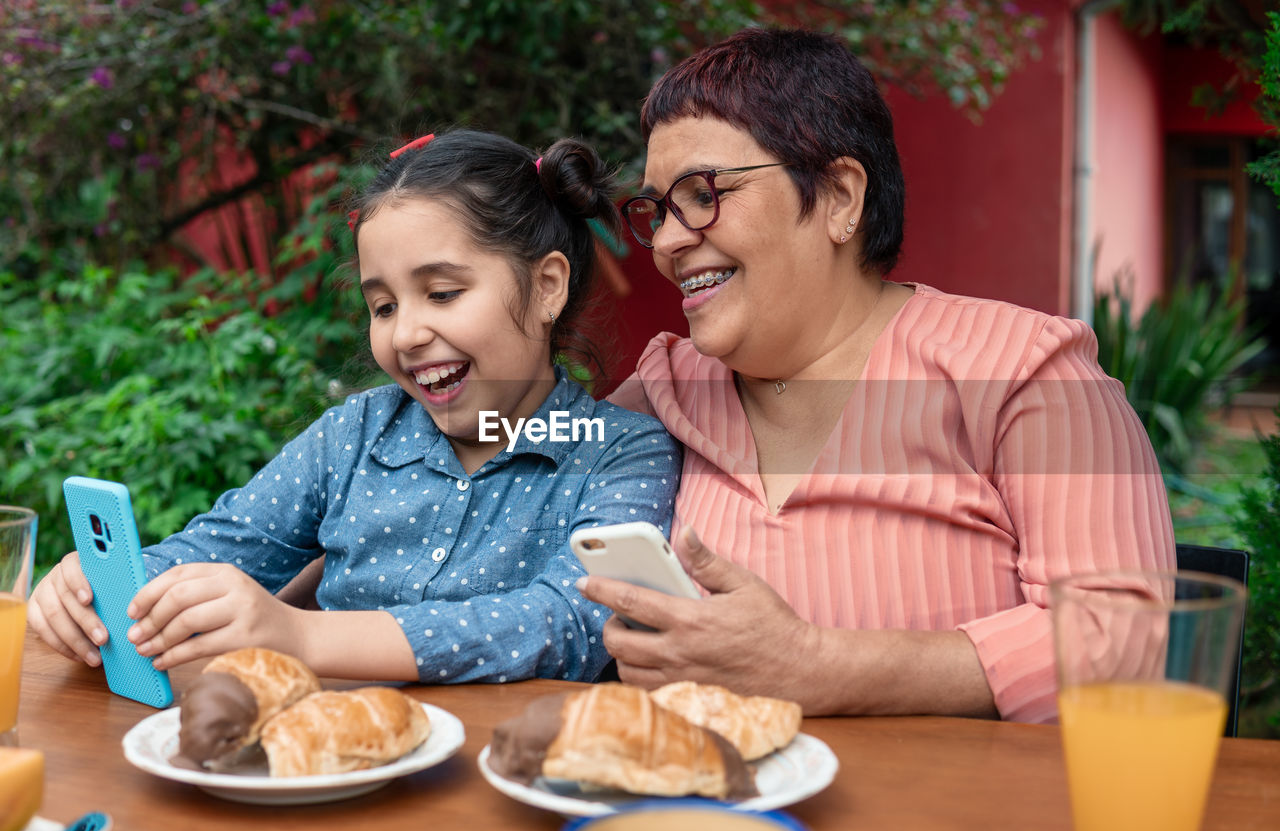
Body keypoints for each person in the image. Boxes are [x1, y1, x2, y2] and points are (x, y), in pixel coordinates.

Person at [577, 28, 1175, 723]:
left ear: (838, 196)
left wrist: (818, 665)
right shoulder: (665, 389)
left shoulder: (1025, 372)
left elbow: (1126, 639)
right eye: (657, 210)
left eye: (702, 193)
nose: (671, 240)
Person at [30, 129, 680, 684]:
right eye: (384, 306)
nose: (405, 333)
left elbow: (568, 620)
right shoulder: (352, 434)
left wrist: (306, 636)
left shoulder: (621, 452)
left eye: (444, 292)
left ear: (546, 287)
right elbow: (222, 545)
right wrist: (102, 586)